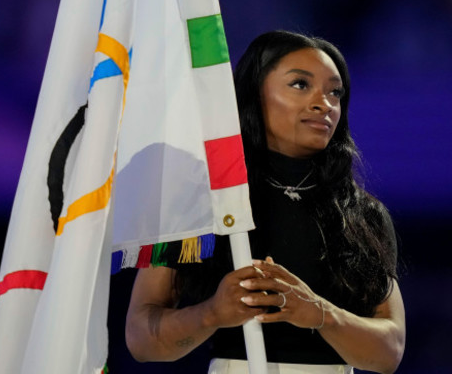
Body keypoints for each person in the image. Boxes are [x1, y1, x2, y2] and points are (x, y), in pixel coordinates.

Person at [125, 30, 405, 374]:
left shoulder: (362, 215)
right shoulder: (197, 203)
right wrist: (213, 312)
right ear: (254, 93)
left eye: (335, 92)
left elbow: (390, 350)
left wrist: (318, 312)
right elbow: (141, 338)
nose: (325, 103)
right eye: (301, 84)